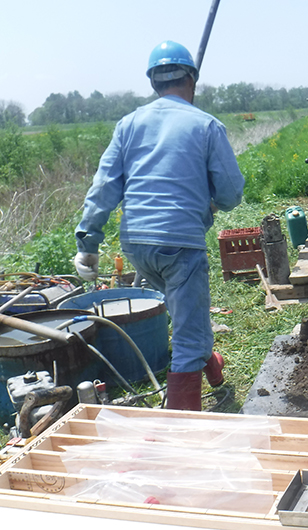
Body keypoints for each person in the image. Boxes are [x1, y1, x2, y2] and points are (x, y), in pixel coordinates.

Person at [73, 40, 245, 411]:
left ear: (154, 82)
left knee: (188, 313)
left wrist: (87, 242)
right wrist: (210, 199)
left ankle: (212, 368)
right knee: (187, 332)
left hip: (138, 245)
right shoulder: (206, 125)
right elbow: (232, 193)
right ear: (192, 81)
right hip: (179, 244)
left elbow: (104, 186)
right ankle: (181, 429)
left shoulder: (129, 124)